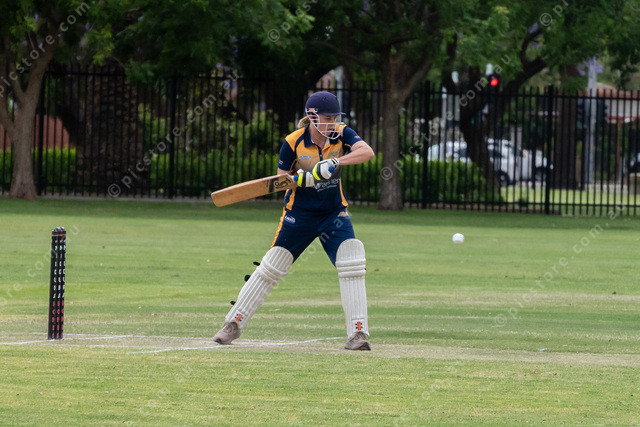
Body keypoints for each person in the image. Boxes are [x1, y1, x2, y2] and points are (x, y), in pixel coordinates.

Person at [213, 91, 375, 350]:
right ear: (312, 117)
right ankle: (233, 324)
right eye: (328, 118)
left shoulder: (342, 133)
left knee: (352, 261)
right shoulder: (293, 142)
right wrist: (306, 178)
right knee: (272, 266)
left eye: (335, 118)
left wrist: (335, 161)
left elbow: (367, 152)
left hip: (333, 213)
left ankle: (358, 334)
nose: (332, 123)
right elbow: (280, 181)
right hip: (299, 214)